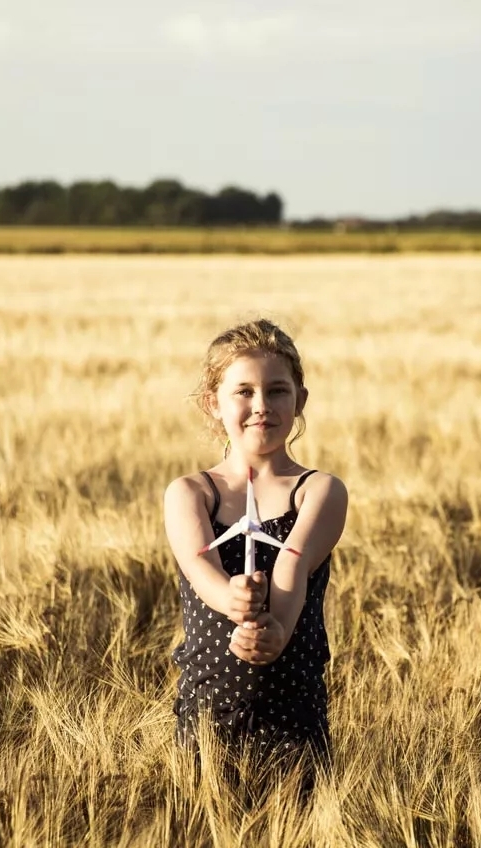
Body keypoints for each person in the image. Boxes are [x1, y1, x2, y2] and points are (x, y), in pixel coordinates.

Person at [163, 318, 348, 797]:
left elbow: (292, 561)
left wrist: (276, 630)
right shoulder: (190, 493)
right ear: (213, 403)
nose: (261, 406)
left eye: (278, 391)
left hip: (294, 719)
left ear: (300, 401)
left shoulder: (319, 490)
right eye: (243, 391)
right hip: (208, 716)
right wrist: (232, 599)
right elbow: (199, 565)